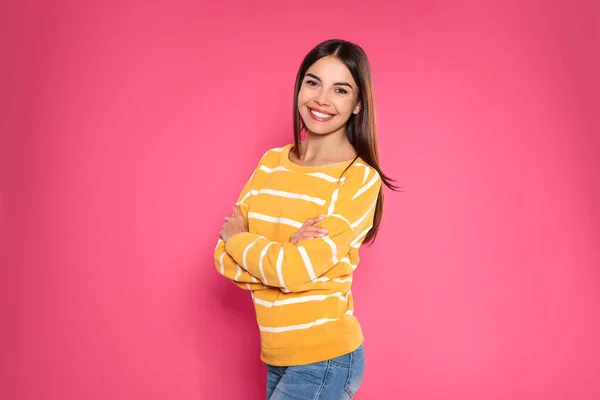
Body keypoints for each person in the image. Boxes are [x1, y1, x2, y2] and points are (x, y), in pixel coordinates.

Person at [214, 39, 397, 399]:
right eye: (313, 82)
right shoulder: (271, 162)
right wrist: (283, 264)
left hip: (325, 359)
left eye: (340, 89)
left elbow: (284, 268)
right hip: (277, 353)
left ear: (358, 103)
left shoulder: (358, 179)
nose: (321, 99)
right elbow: (222, 258)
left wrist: (245, 244)